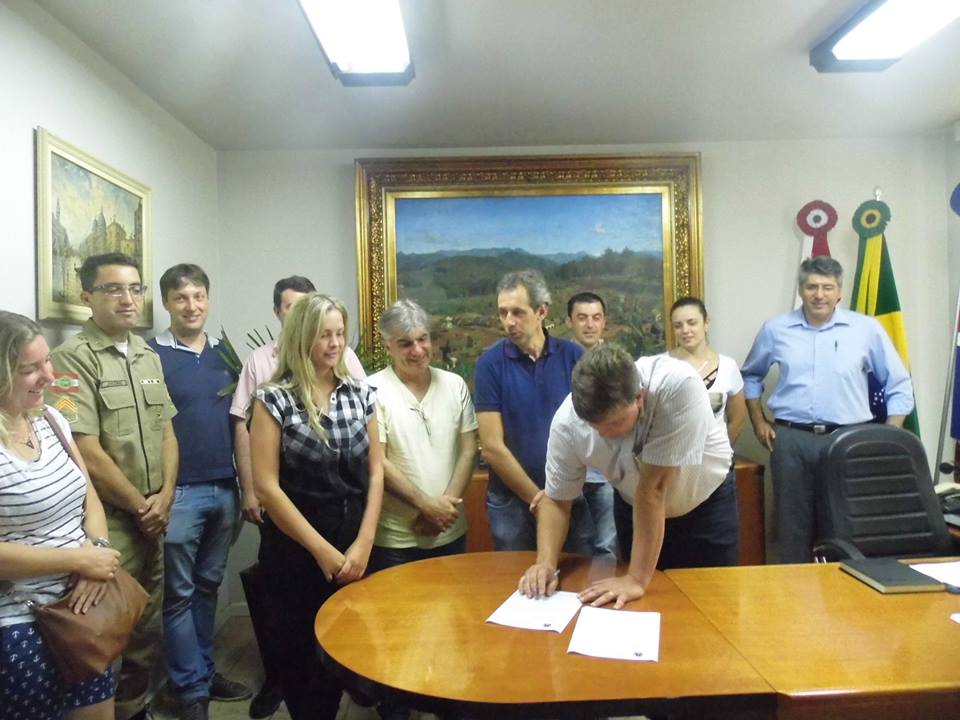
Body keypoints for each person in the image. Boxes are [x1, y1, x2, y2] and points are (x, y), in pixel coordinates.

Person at [48, 253, 178, 720]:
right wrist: (142, 507)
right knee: (107, 629)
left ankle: (135, 708)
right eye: (113, 289)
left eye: (135, 288)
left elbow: (167, 431)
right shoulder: (69, 359)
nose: (128, 299)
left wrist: (165, 497)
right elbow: (83, 447)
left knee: (147, 626)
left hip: (155, 515)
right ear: (87, 296)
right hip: (111, 523)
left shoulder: (146, 354)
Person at [228, 275, 365, 718]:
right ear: (303, 335)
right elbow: (268, 485)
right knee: (299, 650)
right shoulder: (272, 398)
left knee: (345, 644)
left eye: (340, 334)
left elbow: (374, 470)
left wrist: (362, 541)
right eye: (325, 334)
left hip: (349, 538)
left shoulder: (357, 392)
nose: (335, 343)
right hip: (296, 544)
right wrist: (321, 550)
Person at [519, 344, 739, 609]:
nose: (604, 434)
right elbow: (556, 500)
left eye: (614, 422)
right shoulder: (567, 424)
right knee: (640, 609)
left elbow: (654, 489)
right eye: (593, 426)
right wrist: (545, 563)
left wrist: (636, 578)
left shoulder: (676, 385)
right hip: (635, 508)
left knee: (712, 604)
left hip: (706, 507)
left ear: (639, 397)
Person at [740, 256, 914, 563]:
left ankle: (846, 590)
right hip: (791, 441)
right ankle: (793, 590)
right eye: (811, 287)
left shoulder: (866, 329)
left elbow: (899, 383)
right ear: (801, 290)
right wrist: (758, 421)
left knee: (846, 526)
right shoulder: (776, 329)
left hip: (848, 440)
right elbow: (750, 376)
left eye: (827, 287)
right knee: (792, 529)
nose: (819, 294)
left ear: (839, 292)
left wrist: (888, 435)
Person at [0, 311, 122, 720]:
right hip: (19, 620)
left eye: (47, 361)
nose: (49, 377)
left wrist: (97, 554)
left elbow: (89, 497)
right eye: (29, 370)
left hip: (82, 609)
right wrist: (79, 560)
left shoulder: (52, 420)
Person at [147, 264, 251, 720]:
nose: (191, 306)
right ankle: (189, 691)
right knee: (179, 594)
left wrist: (246, 485)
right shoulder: (150, 356)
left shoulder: (225, 353)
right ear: (166, 303)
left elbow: (241, 420)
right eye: (181, 298)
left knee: (208, 587)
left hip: (224, 487)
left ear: (208, 299)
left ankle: (204, 674)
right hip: (180, 493)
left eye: (199, 296)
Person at [367, 299, 477, 720]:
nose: (417, 350)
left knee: (451, 626)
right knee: (398, 632)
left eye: (423, 339)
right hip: (396, 538)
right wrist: (424, 504)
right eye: (405, 343)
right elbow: (377, 462)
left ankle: (446, 699)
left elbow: (468, 449)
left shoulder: (454, 385)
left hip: (450, 532)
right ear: (387, 346)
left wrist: (444, 506)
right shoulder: (372, 390)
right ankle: (396, 709)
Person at [474, 270, 593, 555]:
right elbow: (492, 447)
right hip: (511, 501)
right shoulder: (490, 364)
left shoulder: (573, 357)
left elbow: (592, 426)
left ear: (541, 311)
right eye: (503, 313)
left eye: (518, 312)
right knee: (515, 576)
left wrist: (556, 498)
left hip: (570, 493)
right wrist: (538, 500)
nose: (509, 321)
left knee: (579, 571)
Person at [667, 295, 747, 555]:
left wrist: (718, 451)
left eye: (692, 323)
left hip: (717, 473)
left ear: (706, 323)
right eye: (678, 325)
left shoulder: (728, 366)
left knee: (717, 543)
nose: (685, 330)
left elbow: (738, 417)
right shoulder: (662, 365)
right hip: (674, 470)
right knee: (676, 546)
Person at [565, 291, 617, 560]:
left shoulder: (617, 364)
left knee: (608, 545)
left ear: (604, 321)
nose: (590, 325)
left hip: (607, 473)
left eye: (596, 318)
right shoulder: (557, 363)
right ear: (569, 322)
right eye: (582, 318)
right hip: (570, 472)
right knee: (574, 550)